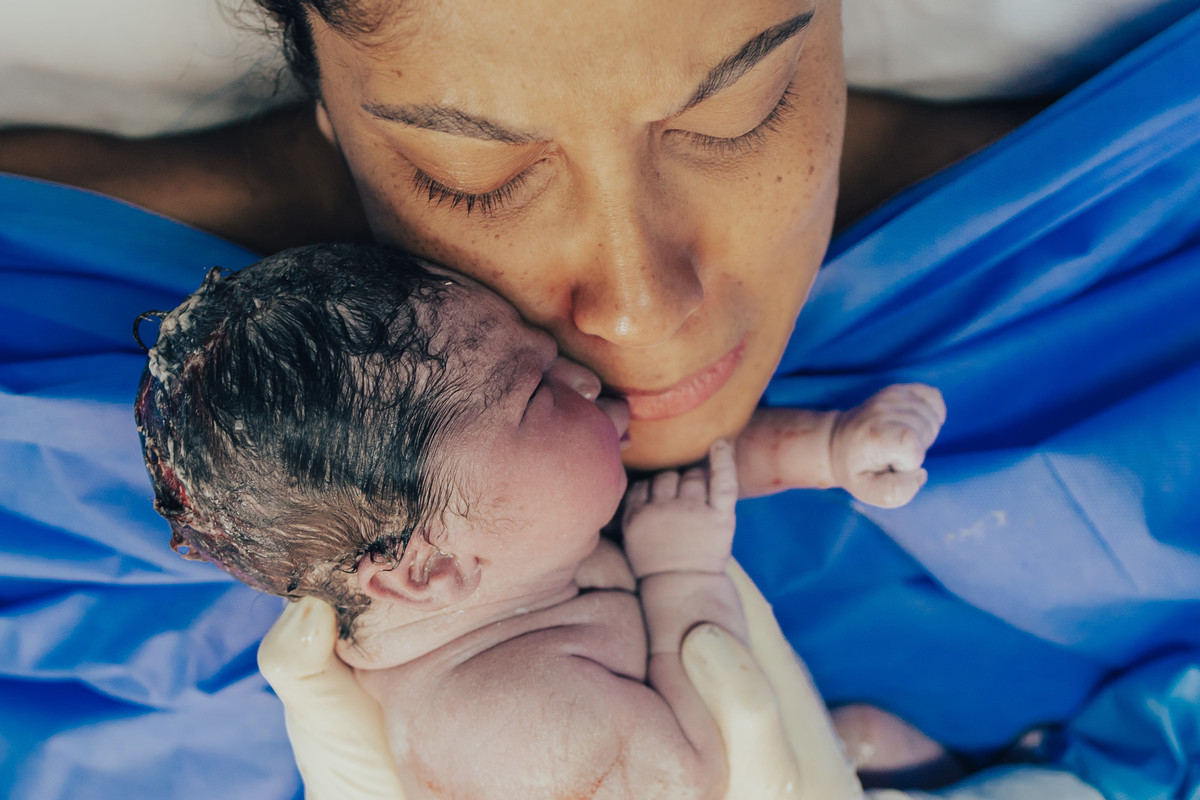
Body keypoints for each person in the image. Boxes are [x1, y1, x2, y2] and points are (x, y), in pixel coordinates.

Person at [3, 2, 1200, 798]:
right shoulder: (39, 355)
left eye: (740, 110)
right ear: (325, 98)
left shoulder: (1153, 250)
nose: (637, 313)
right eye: (471, 173)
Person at [134, 242, 947, 797]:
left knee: (880, 736)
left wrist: (834, 448)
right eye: (534, 391)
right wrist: (681, 579)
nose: (585, 378)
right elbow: (704, 776)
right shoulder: (512, 730)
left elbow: (684, 481)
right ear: (428, 570)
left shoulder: (492, 540)